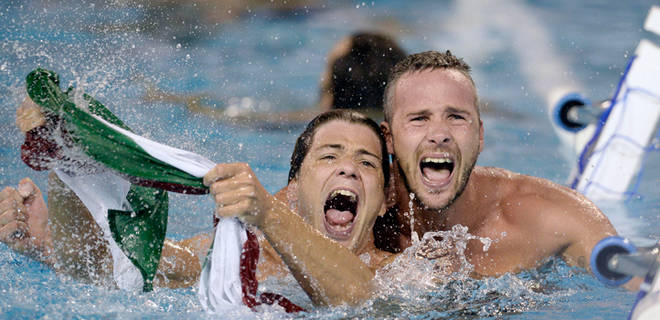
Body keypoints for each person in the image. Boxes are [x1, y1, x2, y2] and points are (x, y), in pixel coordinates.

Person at [373, 50, 619, 277]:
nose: (439, 134)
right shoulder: (359, 216)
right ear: (389, 138)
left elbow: (632, 284)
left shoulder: (550, 217)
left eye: (456, 117)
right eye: (419, 119)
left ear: (480, 136)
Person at [143, 32, 406, 125]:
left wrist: (181, 103)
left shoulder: (313, 119)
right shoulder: (392, 122)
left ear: (333, 85)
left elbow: (236, 116)